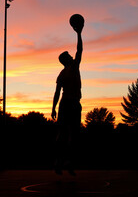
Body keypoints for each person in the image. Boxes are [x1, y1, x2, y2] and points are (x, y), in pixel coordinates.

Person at [51, 18, 83, 176]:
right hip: (70, 104)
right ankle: (61, 161)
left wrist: (53, 108)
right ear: (65, 60)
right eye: (69, 56)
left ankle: (64, 161)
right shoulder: (71, 68)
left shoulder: (63, 73)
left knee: (66, 134)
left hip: (67, 104)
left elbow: (57, 93)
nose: (72, 56)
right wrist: (79, 34)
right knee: (67, 134)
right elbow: (80, 50)